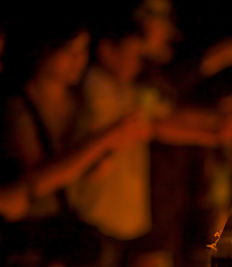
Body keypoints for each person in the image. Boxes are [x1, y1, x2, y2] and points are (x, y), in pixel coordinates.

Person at [0, 12, 147, 266]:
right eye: (70, 51)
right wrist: (105, 139)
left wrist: (95, 165)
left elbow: (74, 170)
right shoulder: (18, 108)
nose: (79, 60)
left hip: (70, 229)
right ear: (43, 50)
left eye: (84, 50)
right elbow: (37, 182)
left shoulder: (78, 100)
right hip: (29, 238)